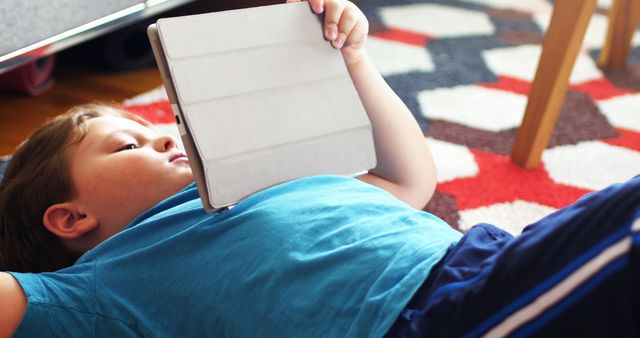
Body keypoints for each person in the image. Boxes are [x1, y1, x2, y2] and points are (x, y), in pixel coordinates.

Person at [0, 0, 638, 337]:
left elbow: (410, 179)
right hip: (433, 317)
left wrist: (351, 60)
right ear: (70, 217)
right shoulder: (98, 288)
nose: (164, 135)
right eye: (126, 144)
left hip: (490, 261)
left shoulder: (266, 180)